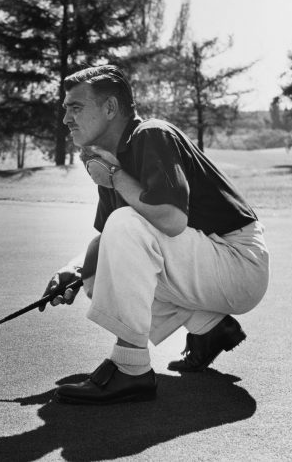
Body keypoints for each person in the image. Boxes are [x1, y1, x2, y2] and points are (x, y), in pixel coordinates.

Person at [40, 64, 269, 405]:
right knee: (95, 267)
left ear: (110, 108)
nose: (66, 119)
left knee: (122, 228)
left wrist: (115, 176)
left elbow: (171, 219)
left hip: (237, 260)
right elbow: (112, 245)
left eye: (75, 107)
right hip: (208, 265)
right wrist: (75, 268)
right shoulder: (111, 160)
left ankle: (130, 369)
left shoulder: (151, 134)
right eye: (66, 110)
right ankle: (209, 327)